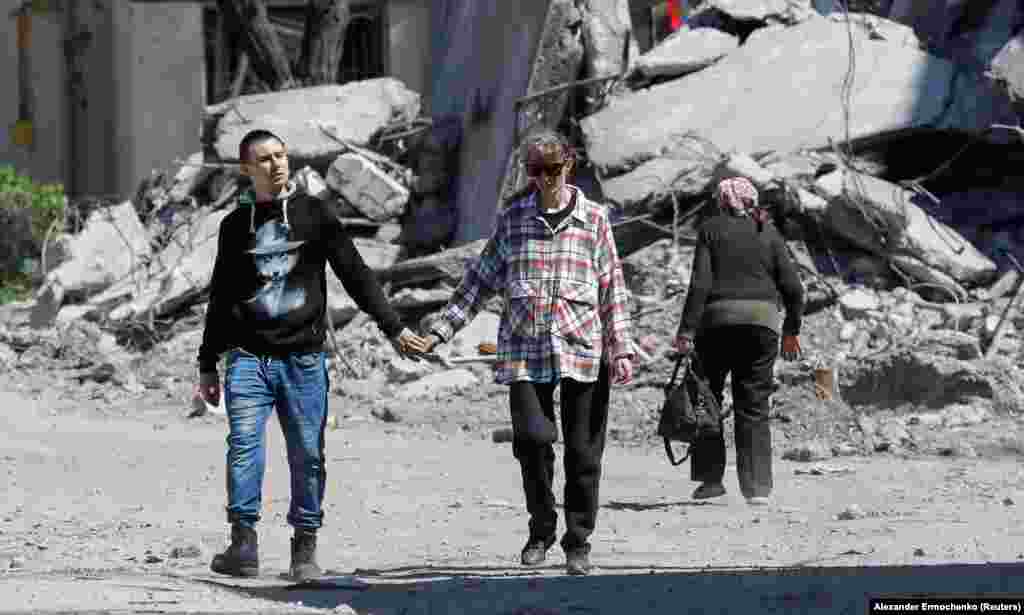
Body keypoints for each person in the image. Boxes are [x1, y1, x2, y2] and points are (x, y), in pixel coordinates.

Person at [195, 129, 430, 580]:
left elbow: (356, 274)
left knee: (308, 453)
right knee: (243, 448)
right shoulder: (233, 226)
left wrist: (394, 328)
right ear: (247, 170)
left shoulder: (314, 214)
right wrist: (208, 361)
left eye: (281, 156)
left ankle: (304, 550)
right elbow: (221, 296)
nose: (276, 164)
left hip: (303, 360)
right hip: (247, 359)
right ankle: (242, 544)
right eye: (264, 159)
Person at [420, 130, 635, 576]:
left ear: (568, 165)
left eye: (551, 169)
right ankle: (541, 529)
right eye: (535, 171)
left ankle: (578, 541)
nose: (544, 179)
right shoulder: (514, 219)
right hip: (524, 349)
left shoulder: (595, 220)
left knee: (583, 453)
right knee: (533, 441)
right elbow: (479, 281)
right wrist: (440, 331)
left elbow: (612, 287)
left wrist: (621, 348)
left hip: (583, 348)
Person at [672, 177, 804, 507]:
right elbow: (794, 288)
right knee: (754, 405)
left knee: (707, 399)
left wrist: (686, 331)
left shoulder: (710, 229)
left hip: (715, 325)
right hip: (762, 327)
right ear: (752, 201)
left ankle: (711, 481)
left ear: (720, 202)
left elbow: (700, 283)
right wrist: (791, 330)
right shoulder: (768, 232)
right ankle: (757, 488)